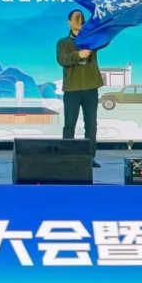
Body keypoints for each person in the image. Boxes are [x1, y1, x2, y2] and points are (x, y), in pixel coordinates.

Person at [56, 9, 103, 168]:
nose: (80, 20)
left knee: (91, 125)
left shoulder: (91, 39)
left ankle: (89, 157)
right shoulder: (63, 42)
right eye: (76, 18)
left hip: (91, 88)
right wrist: (78, 55)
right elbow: (62, 60)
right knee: (70, 124)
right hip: (72, 89)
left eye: (82, 18)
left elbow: (105, 40)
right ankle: (68, 156)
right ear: (69, 22)